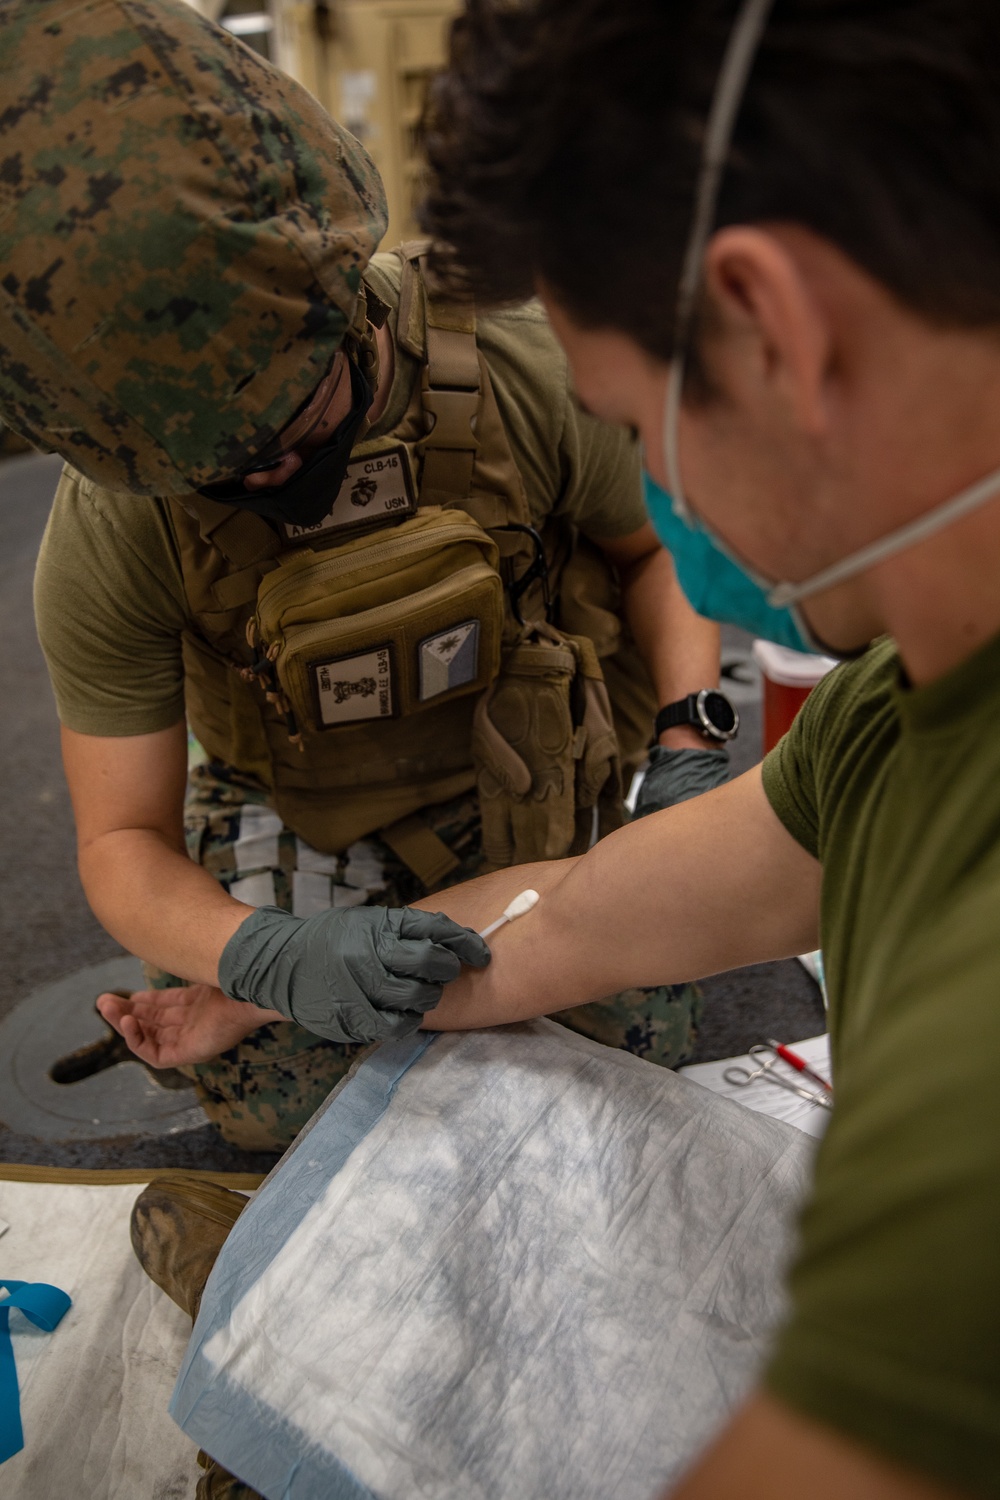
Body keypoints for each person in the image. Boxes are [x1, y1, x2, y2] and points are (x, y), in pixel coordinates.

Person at [117, 0, 1000, 1496]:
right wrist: (276, 976)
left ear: (772, 329)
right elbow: (577, 918)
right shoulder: (891, 725)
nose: (651, 502)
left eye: (636, 431)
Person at [11, 0, 729, 1151]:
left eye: (296, 427)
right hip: (299, 807)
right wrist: (263, 958)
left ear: (343, 304)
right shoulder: (116, 527)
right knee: (281, 1108)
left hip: (524, 766)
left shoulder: (509, 360)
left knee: (627, 1046)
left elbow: (651, 550)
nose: (276, 478)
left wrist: (691, 740)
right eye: (226, 475)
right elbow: (119, 842)